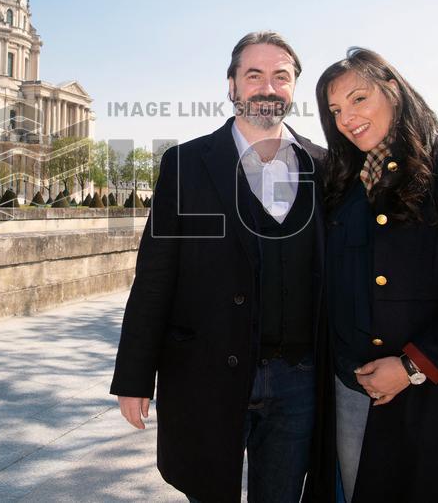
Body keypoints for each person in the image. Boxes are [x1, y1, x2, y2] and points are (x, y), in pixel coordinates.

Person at [111, 31, 326, 502]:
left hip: (300, 379)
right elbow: (155, 276)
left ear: (293, 88)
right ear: (231, 86)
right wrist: (133, 377)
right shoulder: (185, 164)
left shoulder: (325, 167)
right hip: (205, 373)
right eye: (254, 75)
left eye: (280, 77)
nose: (267, 87)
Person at [307, 48, 438, 502]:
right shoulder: (340, 183)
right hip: (351, 390)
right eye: (335, 110)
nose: (347, 117)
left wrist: (411, 367)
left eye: (359, 98)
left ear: (393, 89)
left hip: (434, 392)